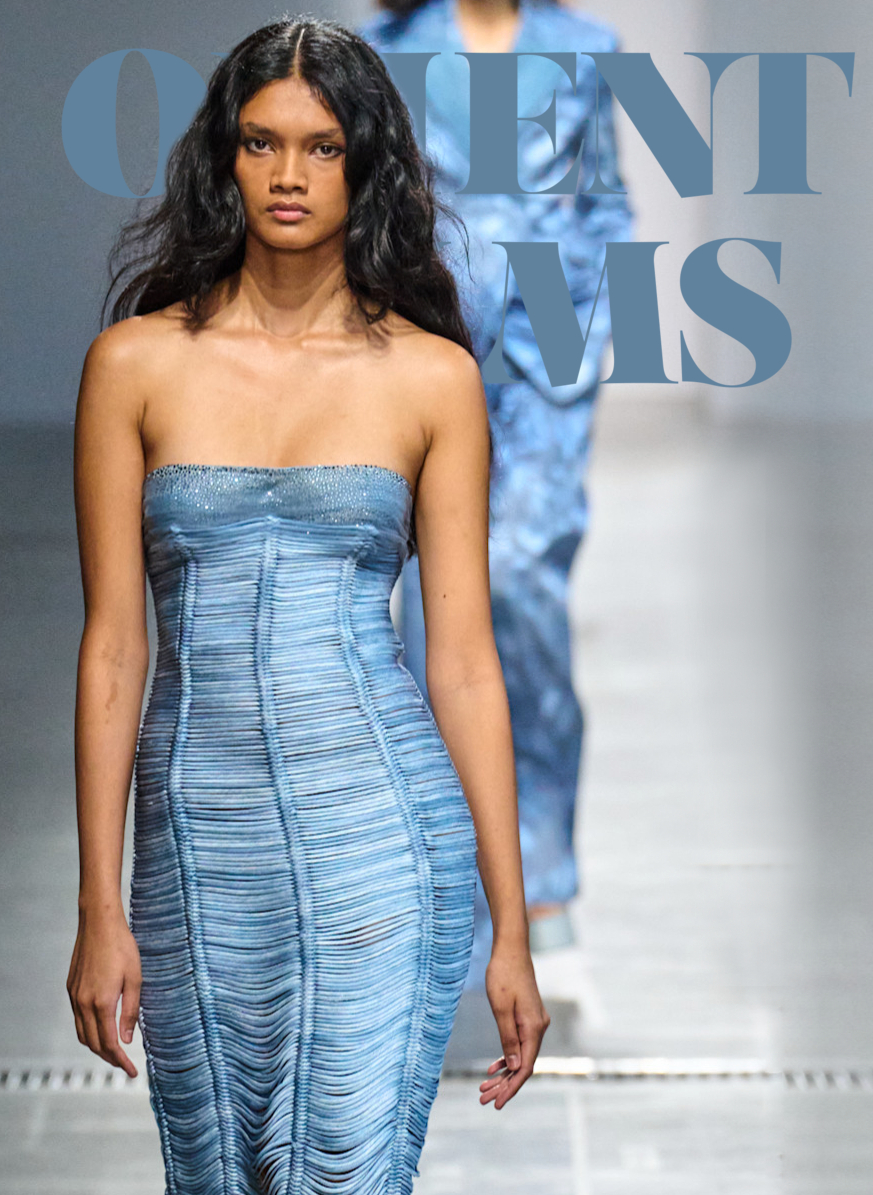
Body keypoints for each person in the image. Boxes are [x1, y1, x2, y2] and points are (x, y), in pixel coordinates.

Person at [64, 18, 547, 1191]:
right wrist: (96, 904)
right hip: (195, 849)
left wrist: (513, 928)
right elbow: (114, 649)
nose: (288, 174)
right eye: (261, 142)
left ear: (365, 163)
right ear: (222, 159)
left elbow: (464, 662)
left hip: (382, 835)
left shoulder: (432, 378)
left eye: (322, 147)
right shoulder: (133, 367)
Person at [362, 0, 633, 968]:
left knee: (520, 579)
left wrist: (587, 333)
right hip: (427, 348)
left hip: (547, 360)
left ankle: (542, 855)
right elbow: (373, 204)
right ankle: (445, 863)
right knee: (429, 603)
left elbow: (606, 206)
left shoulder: (586, 51)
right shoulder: (387, 52)